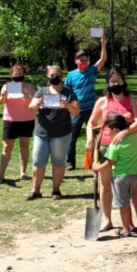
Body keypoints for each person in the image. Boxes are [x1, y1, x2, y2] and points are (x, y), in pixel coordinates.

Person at [85, 70, 137, 231]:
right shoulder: (102, 101)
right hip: (106, 146)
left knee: (133, 185)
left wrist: (125, 131)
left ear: (124, 81)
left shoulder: (131, 100)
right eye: (112, 81)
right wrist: (90, 138)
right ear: (108, 83)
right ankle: (107, 220)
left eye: (118, 80)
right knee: (106, 185)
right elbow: (91, 123)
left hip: (127, 148)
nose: (116, 83)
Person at [27, 65, 80, 200]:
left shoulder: (68, 93)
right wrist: (36, 104)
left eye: (57, 74)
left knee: (58, 162)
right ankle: (35, 190)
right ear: (47, 77)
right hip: (42, 133)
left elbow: (76, 111)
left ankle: (56, 190)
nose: (54, 77)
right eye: (51, 75)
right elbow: (31, 108)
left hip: (61, 134)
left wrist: (67, 105)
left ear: (62, 77)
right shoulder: (41, 91)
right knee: (38, 162)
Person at [91, 115, 137, 237]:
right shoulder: (135, 137)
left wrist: (97, 167)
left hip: (119, 178)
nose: (107, 133)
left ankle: (125, 230)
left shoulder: (114, 145)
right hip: (133, 176)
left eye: (108, 130)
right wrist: (130, 122)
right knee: (127, 201)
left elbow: (110, 162)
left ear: (115, 130)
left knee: (122, 204)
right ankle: (130, 225)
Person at [64, 36, 107, 170]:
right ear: (76, 61)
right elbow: (66, 91)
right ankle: (71, 163)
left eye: (86, 60)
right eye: (81, 60)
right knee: (72, 138)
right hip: (76, 112)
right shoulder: (71, 75)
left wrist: (103, 45)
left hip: (91, 111)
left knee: (94, 138)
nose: (84, 62)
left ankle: (92, 161)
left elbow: (103, 59)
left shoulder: (92, 71)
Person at [0, 63, 36, 184]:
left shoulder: (28, 87)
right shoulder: (6, 86)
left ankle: (23, 173)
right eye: (15, 74)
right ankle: (1, 175)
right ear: (12, 74)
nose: (18, 76)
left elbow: (33, 104)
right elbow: (1, 102)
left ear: (24, 74)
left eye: (20, 74)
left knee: (24, 145)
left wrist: (27, 97)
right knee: (7, 147)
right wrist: (3, 96)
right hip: (10, 120)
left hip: (27, 119)